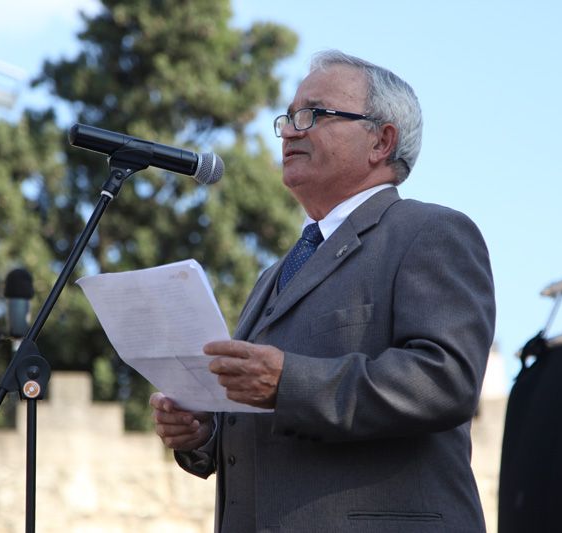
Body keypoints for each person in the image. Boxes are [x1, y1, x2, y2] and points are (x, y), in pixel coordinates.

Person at [150, 49, 496, 532]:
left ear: (381, 141)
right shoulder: (275, 274)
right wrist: (204, 432)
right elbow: (266, 411)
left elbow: (445, 379)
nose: (291, 130)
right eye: (289, 117)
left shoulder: (428, 232)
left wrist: (288, 383)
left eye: (314, 114)